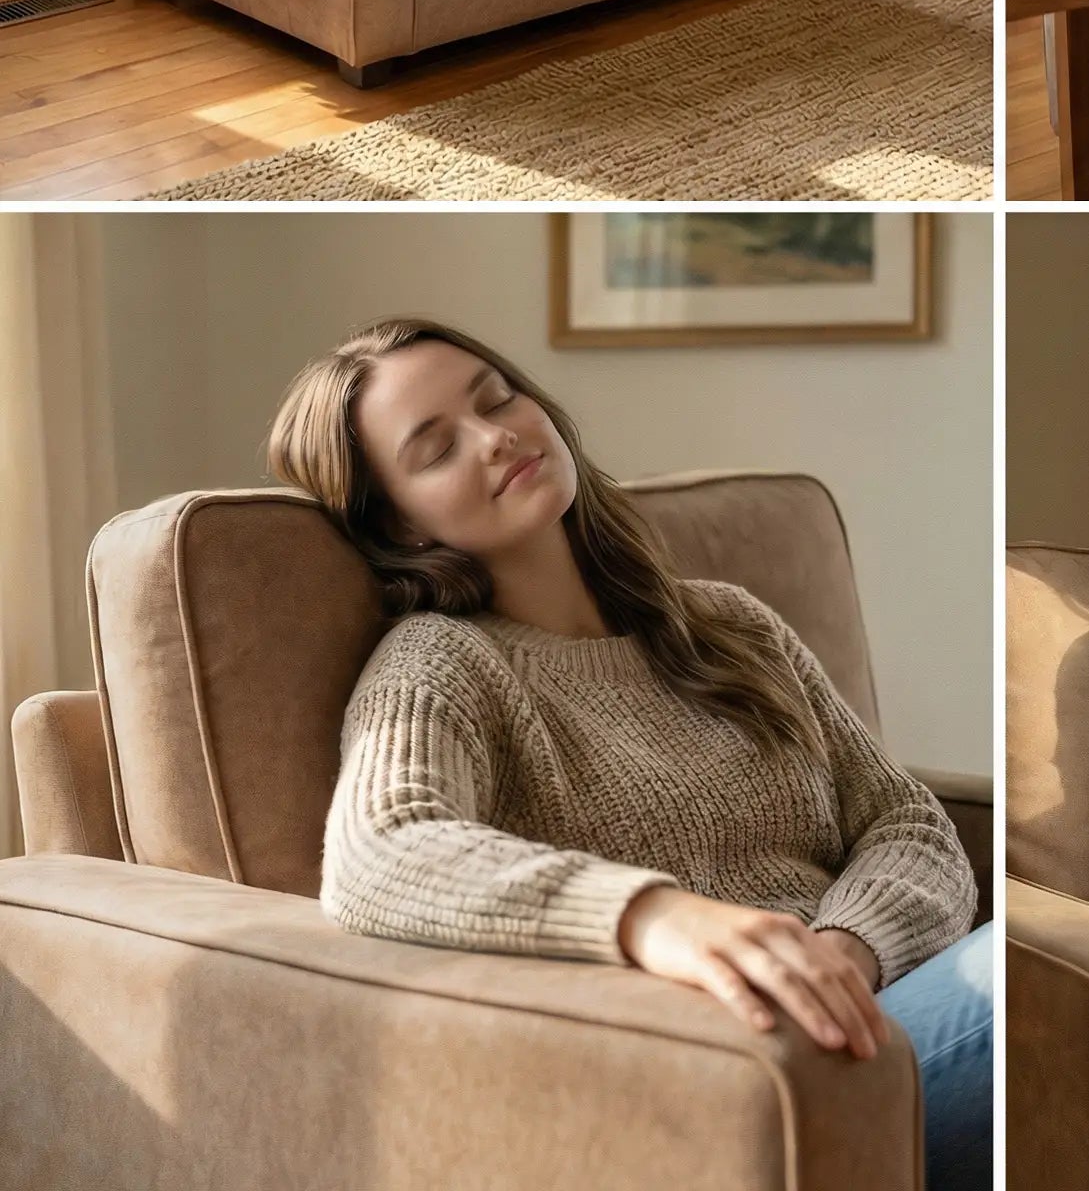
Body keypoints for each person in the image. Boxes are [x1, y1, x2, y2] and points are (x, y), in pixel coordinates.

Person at [268, 316, 991, 1191]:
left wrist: (845, 951)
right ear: (403, 527)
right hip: (723, 1075)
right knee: (1060, 977)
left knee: (1085, 972)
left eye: (498, 399)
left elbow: (906, 820)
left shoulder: (730, 622)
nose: (497, 437)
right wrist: (657, 919)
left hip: (874, 1015)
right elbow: (380, 855)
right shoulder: (441, 663)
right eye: (436, 449)